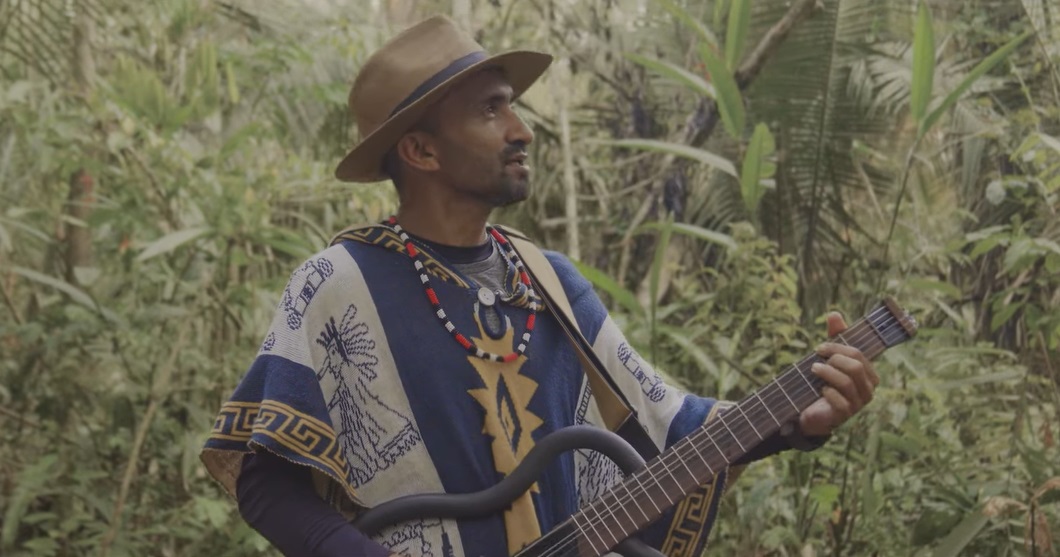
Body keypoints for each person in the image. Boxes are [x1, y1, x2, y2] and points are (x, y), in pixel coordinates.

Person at [200, 15, 880, 557]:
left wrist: (796, 419)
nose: (522, 130)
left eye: (514, 109)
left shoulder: (551, 279)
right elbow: (265, 479)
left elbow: (669, 429)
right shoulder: (336, 285)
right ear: (422, 150)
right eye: (491, 111)